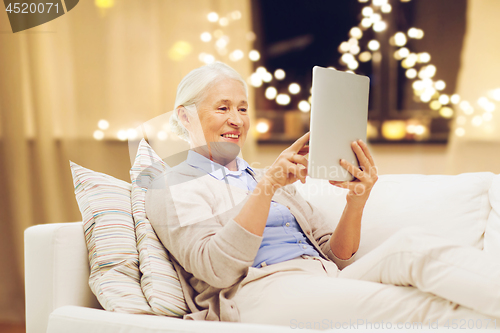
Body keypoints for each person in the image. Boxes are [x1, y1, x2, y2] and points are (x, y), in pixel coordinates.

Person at [146, 62, 500, 327]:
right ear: (185, 116)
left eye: (242, 108)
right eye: (222, 108)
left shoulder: (263, 175)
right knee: (421, 307)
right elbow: (217, 269)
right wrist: (266, 188)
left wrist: (356, 200)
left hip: (324, 278)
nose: (236, 119)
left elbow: (338, 256)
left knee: (412, 246)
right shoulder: (172, 185)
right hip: (258, 295)